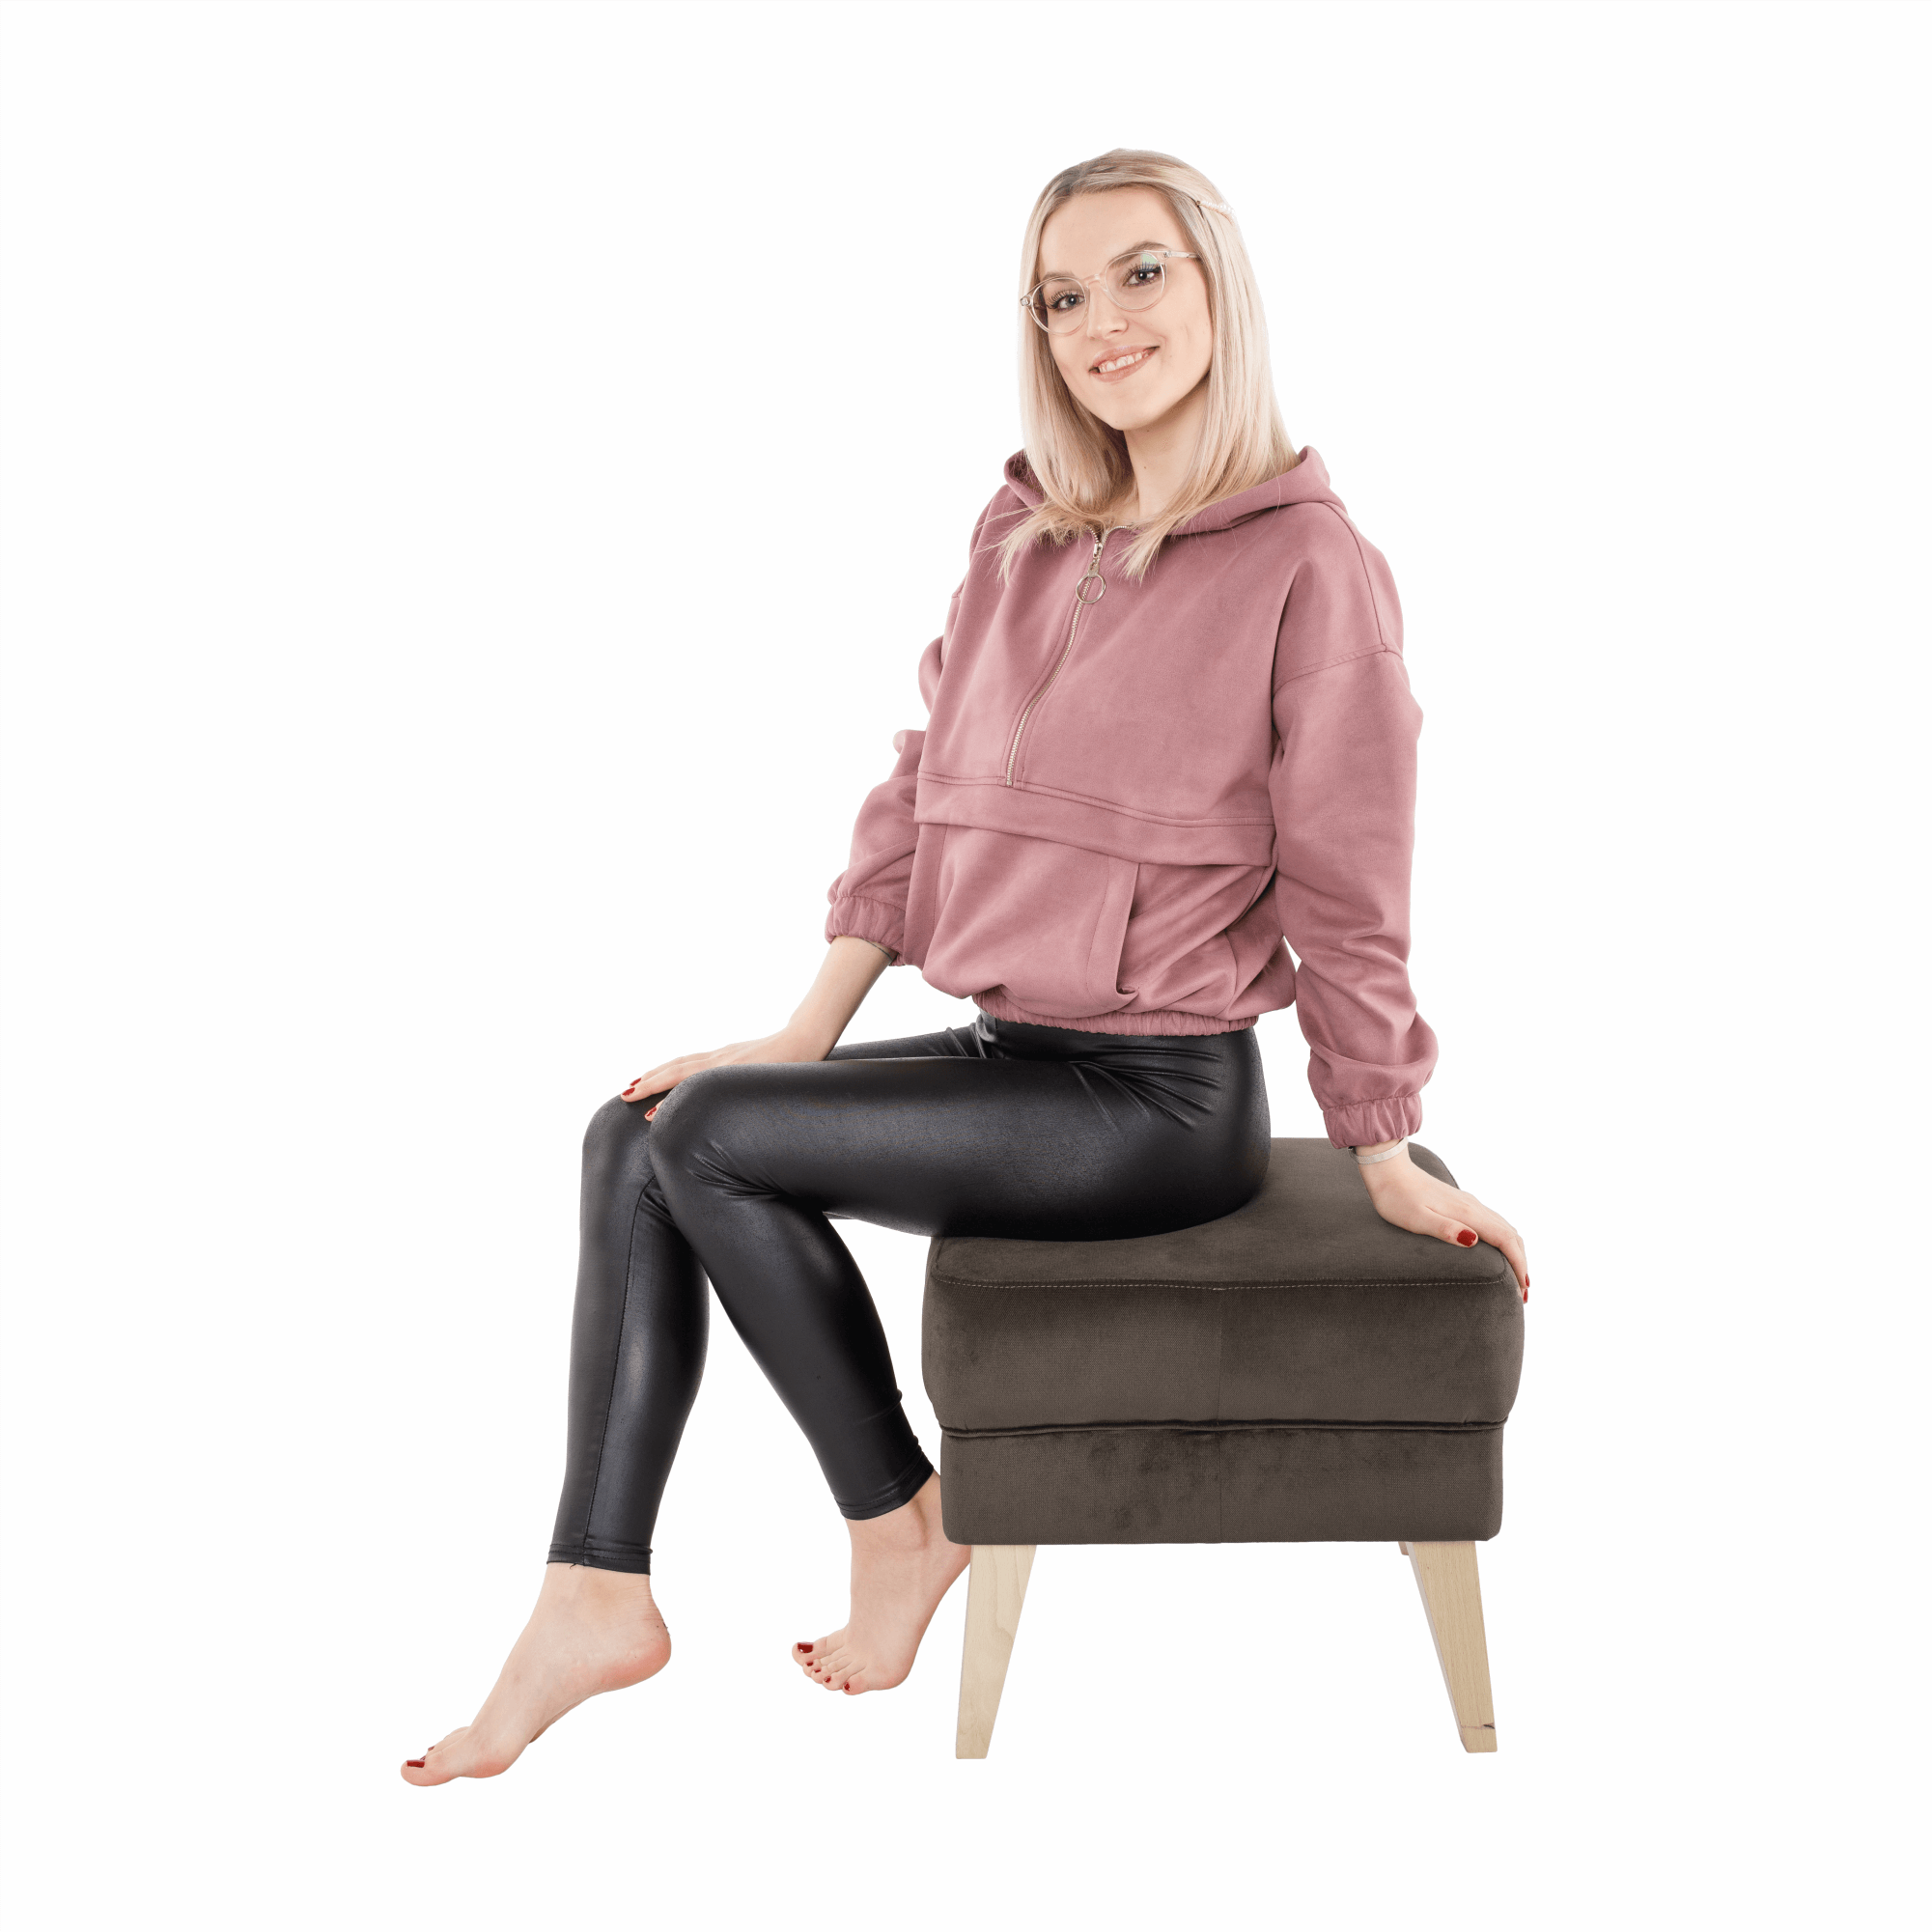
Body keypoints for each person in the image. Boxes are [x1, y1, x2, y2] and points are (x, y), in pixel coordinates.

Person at [401, 147, 1528, 1786]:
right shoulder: (1025, 532)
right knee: (634, 1133)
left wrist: (1384, 1141)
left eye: (1141, 273)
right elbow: (920, 787)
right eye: (1062, 296)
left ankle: (900, 1521)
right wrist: (798, 1032)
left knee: (706, 1139)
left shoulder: (1311, 563)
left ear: (1220, 286)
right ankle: (594, 1589)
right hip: (1015, 1056)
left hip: (1156, 1104)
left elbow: (1355, 880)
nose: (1101, 322)